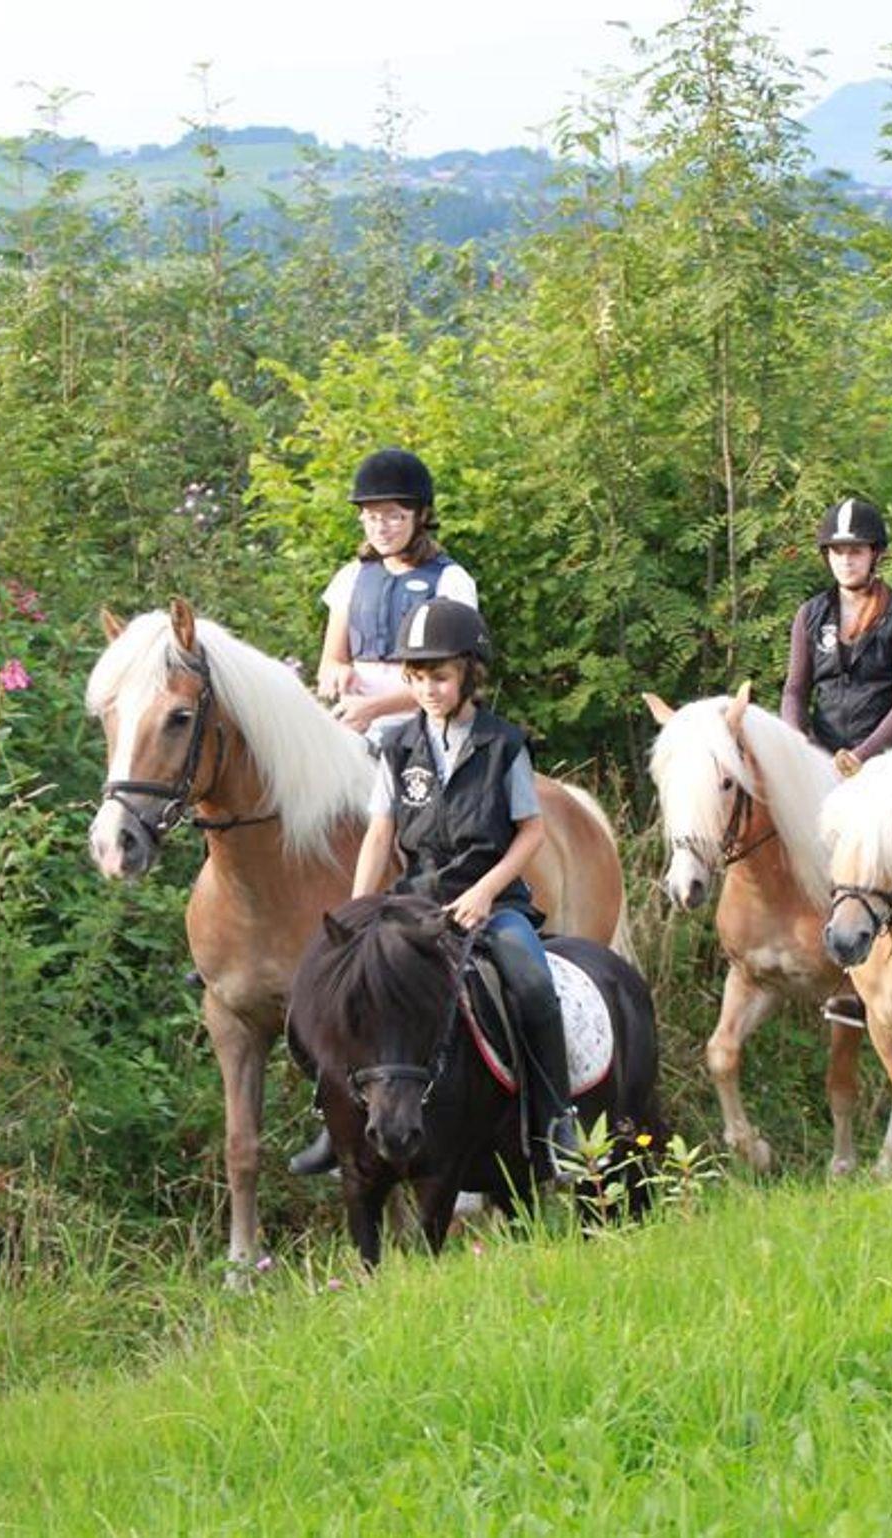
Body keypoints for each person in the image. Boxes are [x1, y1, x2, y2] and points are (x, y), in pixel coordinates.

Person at [290, 598, 581, 1178]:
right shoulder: (397, 747)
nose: (428, 689)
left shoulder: (504, 745)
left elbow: (531, 833)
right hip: (414, 903)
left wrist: (485, 892)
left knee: (531, 983)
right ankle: (332, 1120)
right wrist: (358, 908)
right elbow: (380, 833)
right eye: (417, 677)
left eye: (440, 677)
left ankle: (556, 1119)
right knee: (330, 983)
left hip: (492, 904)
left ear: (470, 674)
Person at [781, 496, 892, 1028]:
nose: (846, 560)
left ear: (875, 555)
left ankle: (863, 981)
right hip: (823, 756)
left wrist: (862, 757)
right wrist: (799, 745)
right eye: (838, 551)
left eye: (856, 551)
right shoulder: (810, 614)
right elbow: (795, 690)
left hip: (884, 759)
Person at [315, 447, 478, 739]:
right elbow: (331, 660)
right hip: (355, 720)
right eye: (371, 517)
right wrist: (337, 673)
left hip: (424, 722)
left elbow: (457, 677)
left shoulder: (451, 580)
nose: (381, 528)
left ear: (421, 516)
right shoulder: (350, 577)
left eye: (394, 517)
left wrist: (375, 708)